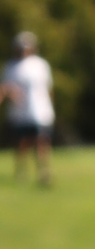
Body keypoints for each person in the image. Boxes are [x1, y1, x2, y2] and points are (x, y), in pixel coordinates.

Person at [4, 30, 56, 184]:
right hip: (20, 113)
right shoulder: (11, 67)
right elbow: (5, 88)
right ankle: (21, 172)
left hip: (40, 112)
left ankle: (44, 172)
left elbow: (48, 88)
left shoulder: (41, 65)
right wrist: (11, 94)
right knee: (22, 142)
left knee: (42, 141)